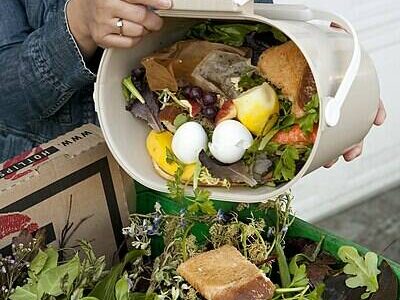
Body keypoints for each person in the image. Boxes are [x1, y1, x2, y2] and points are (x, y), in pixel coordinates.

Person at [0, 0, 386, 164]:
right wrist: (78, 26)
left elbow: (258, 31)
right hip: (61, 194)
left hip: (214, 192)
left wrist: (329, 72)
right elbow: (7, 99)